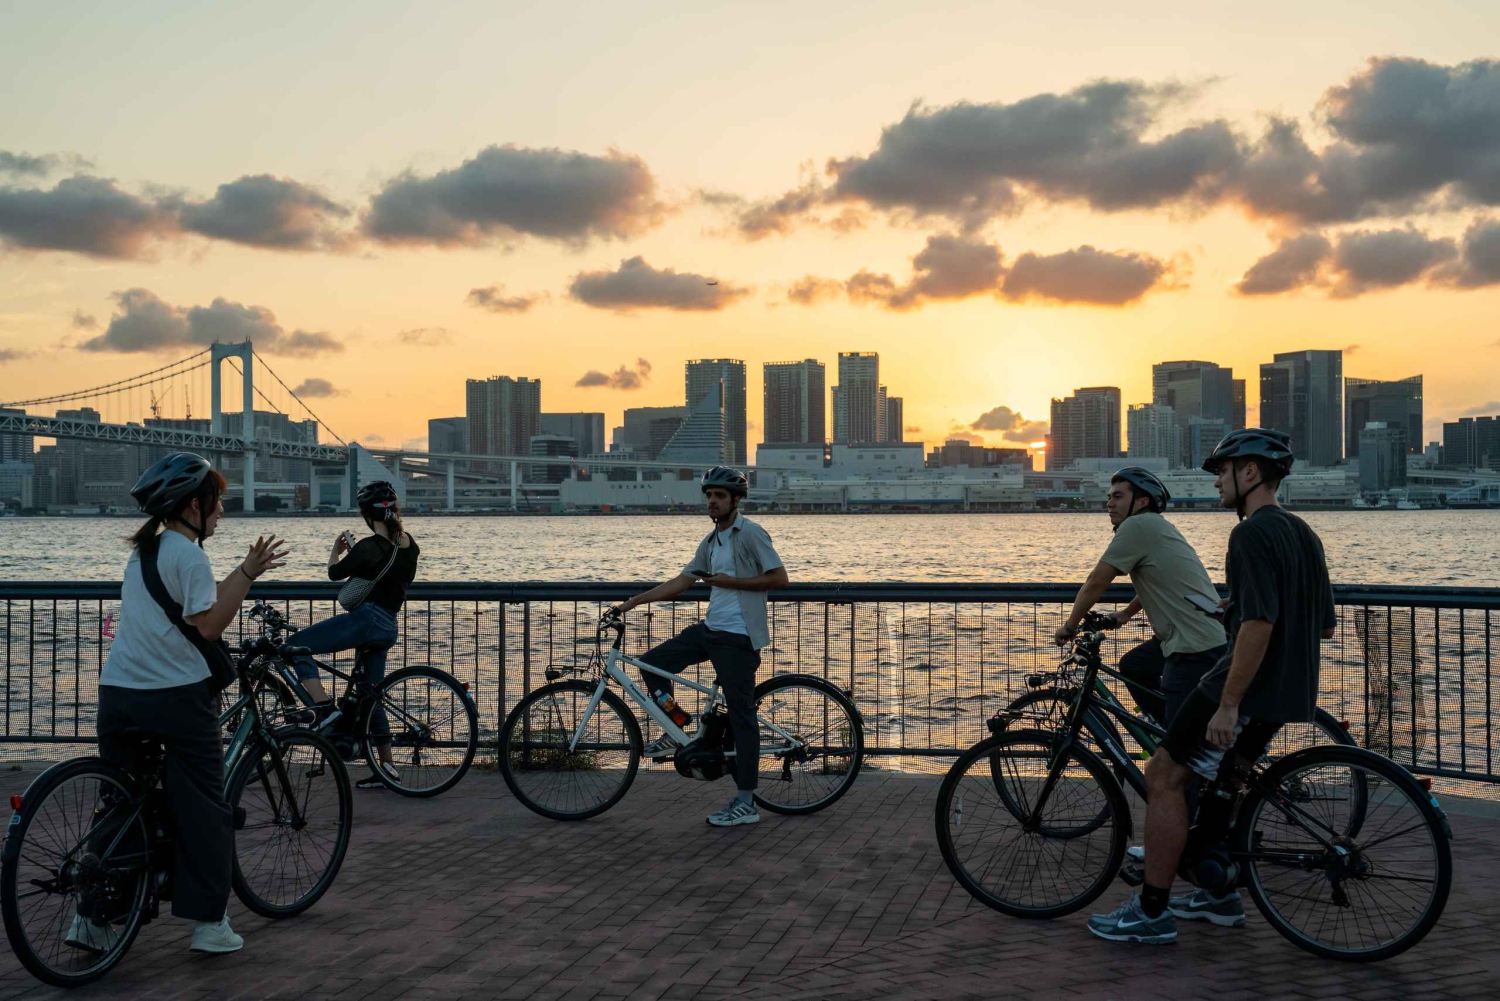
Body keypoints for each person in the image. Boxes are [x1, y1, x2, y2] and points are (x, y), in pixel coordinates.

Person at [1087, 428, 1336, 944]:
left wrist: (1227, 703)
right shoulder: (1303, 533)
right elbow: (1323, 623)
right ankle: (1217, 892)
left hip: (1240, 687)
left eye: (1223, 472)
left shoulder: (1249, 534)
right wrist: (1237, 606)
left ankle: (1152, 911)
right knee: (1221, 791)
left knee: (1165, 776)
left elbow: (1259, 626)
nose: (1218, 482)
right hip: (1288, 693)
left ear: (1249, 473)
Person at [82, 452, 287, 956]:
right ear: (194, 505)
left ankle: (93, 919)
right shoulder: (190, 554)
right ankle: (210, 925)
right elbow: (210, 625)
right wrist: (248, 571)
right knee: (204, 808)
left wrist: (235, 577)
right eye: (217, 502)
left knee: (122, 804)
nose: (222, 511)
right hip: (175, 697)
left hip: (119, 695)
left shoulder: (145, 554)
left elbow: (192, 605)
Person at [612, 466, 788, 827]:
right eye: (709, 495)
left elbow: (779, 578)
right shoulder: (711, 542)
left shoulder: (750, 533)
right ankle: (677, 721)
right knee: (651, 664)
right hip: (711, 630)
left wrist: (730, 581)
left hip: (738, 638)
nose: (712, 501)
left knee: (742, 719)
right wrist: (633, 602)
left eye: (719, 496)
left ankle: (746, 803)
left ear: (735, 500)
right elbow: (681, 581)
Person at [1054, 466, 1228, 734]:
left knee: (1183, 742)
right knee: (1134, 665)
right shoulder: (1157, 527)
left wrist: (1070, 625)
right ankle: (1165, 733)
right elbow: (1160, 581)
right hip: (1197, 635)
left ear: (1142, 501)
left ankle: (1173, 745)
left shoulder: (1138, 525)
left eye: (1118, 497)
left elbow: (1096, 582)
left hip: (1194, 645)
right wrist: (1125, 614)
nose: (1109, 503)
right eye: (1109, 497)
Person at [291, 480, 419, 790]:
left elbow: (336, 574)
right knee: (369, 695)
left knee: (294, 646)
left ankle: (323, 710)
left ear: (365, 514)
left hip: (367, 620)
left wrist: (337, 551)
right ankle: (387, 769)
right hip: (389, 624)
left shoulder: (367, 547)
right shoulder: (410, 544)